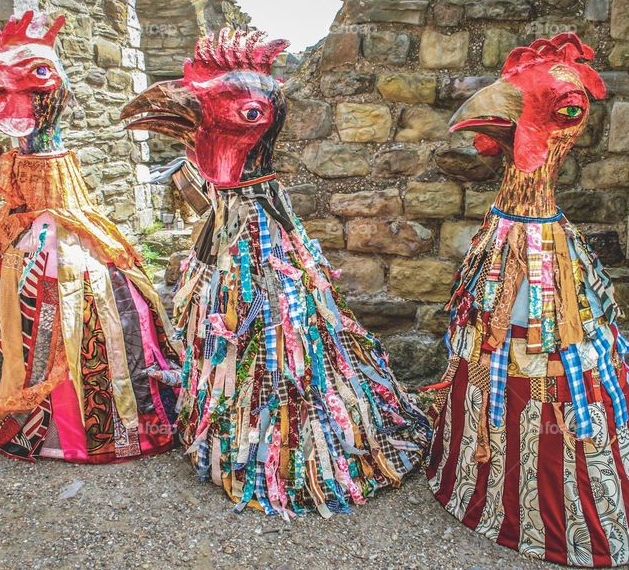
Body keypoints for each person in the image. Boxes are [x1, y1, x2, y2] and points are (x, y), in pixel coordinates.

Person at [121, 29, 430, 517]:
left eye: (242, 110)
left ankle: (290, 454)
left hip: (256, 226)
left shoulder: (271, 235)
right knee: (226, 325)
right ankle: (232, 434)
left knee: (285, 331)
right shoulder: (221, 225)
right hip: (230, 221)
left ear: (261, 122)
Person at [427, 33, 629, 566]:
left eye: (557, 106)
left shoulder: (549, 175)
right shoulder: (500, 228)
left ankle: (566, 507)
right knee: (494, 341)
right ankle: (486, 480)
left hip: (540, 244)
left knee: (558, 344)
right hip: (512, 236)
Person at [0, 12, 178, 463]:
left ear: (51, 87)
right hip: (33, 218)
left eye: (36, 71)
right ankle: (27, 414)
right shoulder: (17, 207)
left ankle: (91, 425)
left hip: (61, 210)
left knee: (88, 294)